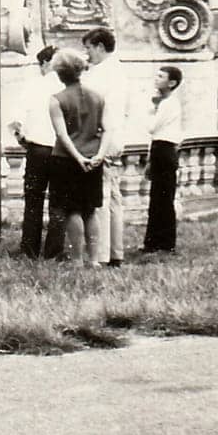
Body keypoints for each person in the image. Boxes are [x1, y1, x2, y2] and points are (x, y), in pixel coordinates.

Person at [46, 49, 107, 266]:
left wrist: (77, 157)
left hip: (66, 160)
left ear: (60, 73)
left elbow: (62, 135)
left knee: (72, 210)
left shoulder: (57, 100)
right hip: (93, 158)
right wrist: (99, 154)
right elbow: (106, 130)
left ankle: (77, 259)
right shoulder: (98, 97)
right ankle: (95, 259)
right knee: (90, 210)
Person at [7, 44, 65, 259]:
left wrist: (22, 139)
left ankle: (29, 248)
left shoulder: (33, 87)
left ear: (42, 64)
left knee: (33, 199)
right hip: (62, 150)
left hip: (38, 149)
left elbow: (15, 121)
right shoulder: (68, 88)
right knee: (59, 200)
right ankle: (54, 250)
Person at [82, 27, 130, 267]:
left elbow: (91, 105)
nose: (87, 53)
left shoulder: (100, 74)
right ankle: (115, 252)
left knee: (99, 199)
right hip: (115, 137)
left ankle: (101, 254)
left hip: (102, 138)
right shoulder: (119, 71)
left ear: (100, 47)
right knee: (113, 198)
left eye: (89, 48)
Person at [140, 65, 185, 255]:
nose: (156, 79)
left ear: (172, 82)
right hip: (161, 149)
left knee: (163, 198)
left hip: (165, 150)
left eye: (161, 76)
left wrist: (152, 107)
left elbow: (151, 127)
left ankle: (164, 243)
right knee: (158, 198)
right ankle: (156, 242)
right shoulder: (166, 103)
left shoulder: (168, 104)